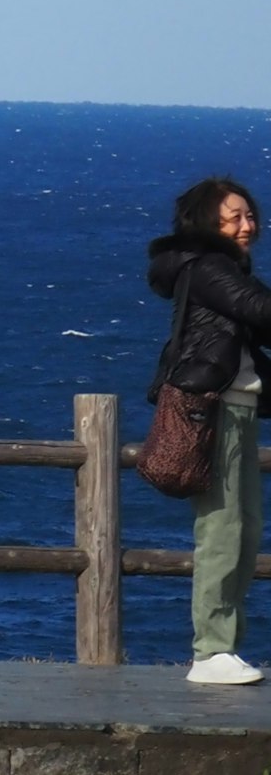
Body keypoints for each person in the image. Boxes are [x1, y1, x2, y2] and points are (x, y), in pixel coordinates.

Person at [152, 177, 271, 684]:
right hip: (213, 408)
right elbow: (263, 312)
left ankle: (224, 649)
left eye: (251, 216)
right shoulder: (208, 267)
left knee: (244, 531)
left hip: (236, 404)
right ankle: (211, 650)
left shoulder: (219, 269)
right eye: (235, 217)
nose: (248, 225)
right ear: (208, 224)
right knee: (222, 528)